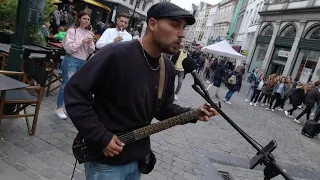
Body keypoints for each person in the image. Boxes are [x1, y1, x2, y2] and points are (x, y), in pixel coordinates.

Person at [64, 2, 219, 180]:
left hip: (137, 159)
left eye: (183, 28)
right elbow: (75, 93)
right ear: (152, 24)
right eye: (175, 25)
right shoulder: (116, 54)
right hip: (106, 162)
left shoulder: (166, 67)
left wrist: (193, 114)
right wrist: (101, 137)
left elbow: (163, 108)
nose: (181, 34)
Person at [54, 11, 95, 120]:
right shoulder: (72, 31)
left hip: (83, 61)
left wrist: (90, 43)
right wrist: (82, 41)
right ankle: (58, 107)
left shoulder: (89, 33)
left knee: (75, 86)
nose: (86, 21)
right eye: (84, 18)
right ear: (79, 19)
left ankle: (69, 107)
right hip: (71, 60)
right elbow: (69, 48)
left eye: (88, 19)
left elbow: (91, 51)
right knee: (66, 84)